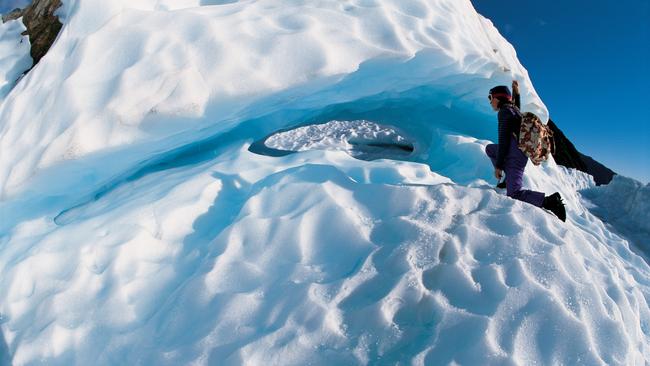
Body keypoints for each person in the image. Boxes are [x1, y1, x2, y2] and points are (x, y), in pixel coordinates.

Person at [485, 81, 566, 221]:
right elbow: (516, 106)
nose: (490, 102)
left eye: (490, 98)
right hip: (517, 151)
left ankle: (550, 202)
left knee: (514, 193)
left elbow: (504, 141)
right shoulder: (512, 110)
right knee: (490, 149)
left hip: (515, 156)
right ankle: (507, 178)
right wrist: (516, 92)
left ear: (498, 98)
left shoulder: (504, 112)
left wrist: (498, 167)